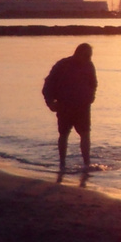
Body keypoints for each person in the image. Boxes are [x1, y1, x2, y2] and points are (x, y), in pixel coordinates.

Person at [42, 42, 97, 170]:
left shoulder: (89, 65)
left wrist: (91, 95)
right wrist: (49, 102)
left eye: (90, 56)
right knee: (64, 134)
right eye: (87, 55)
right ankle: (62, 163)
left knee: (85, 134)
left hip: (83, 106)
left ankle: (86, 164)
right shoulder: (62, 65)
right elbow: (48, 84)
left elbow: (93, 83)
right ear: (78, 53)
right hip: (65, 106)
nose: (89, 58)